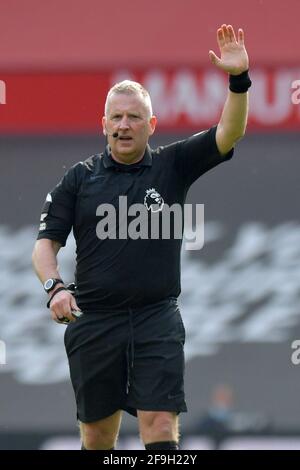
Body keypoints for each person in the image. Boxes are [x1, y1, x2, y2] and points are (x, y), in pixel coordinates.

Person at [32, 24, 251, 450]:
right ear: (104, 124)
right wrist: (54, 287)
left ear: (151, 124)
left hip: (156, 318)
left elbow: (230, 132)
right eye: (116, 117)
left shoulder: (173, 165)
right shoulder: (79, 179)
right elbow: (45, 245)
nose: (124, 125)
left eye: (134, 117)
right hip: (94, 319)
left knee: (160, 429)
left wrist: (238, 80)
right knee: (98, 438)